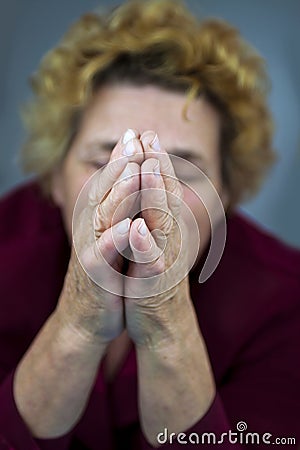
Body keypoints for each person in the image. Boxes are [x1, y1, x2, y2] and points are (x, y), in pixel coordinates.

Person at [0, 0, 299, 449]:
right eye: (106, 160)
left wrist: (166, 322)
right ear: (55, 181)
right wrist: (77, 323)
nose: (141, 194)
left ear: (227, 195)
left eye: (180, 168)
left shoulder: (285, 298)